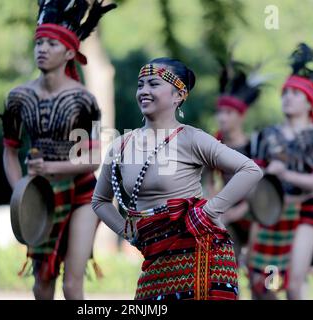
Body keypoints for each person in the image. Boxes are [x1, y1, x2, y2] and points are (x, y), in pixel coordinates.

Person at [92, 57, 263, 300]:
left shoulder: (191, 138)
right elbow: (99, 201)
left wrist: (210, 211)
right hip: (154, 258)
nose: (144, 91)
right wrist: (127, 232)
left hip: (203, 255)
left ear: (178, 95)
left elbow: (250, 170)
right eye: (140, 85)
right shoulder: (121, 145)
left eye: (153, 84)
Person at [2, 0, 116, 300]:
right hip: (39, 193)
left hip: (81, 193)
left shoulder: (84, 100)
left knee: (71, 284)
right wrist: (21, 195)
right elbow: (10, 152)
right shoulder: (17, 97)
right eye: (38, 42)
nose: (42, 48)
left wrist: (53, 168)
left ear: (69, 52)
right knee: (41, 282)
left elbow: (93, 158)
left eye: (51, 43)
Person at [247, 41, 313, 300]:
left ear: (309, 102)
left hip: (304, 210)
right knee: (260, 286)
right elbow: (253, 176)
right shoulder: (265, 136)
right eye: (285, 93)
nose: (287, 98)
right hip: (268, 211)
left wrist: (284, 173)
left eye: (295, 93)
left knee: (293, 285)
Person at [206, 58, 266, 263]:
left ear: (241, 116)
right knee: (225, 266)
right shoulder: (216, 144)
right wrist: (218, 206)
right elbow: (210, 180)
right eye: (219, 112)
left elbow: (260, 189)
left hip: (255, 213)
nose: (222, 118)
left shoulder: (255, 146)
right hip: (226, 211)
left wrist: (234, 213)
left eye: (228, 113)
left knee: (256, 274)